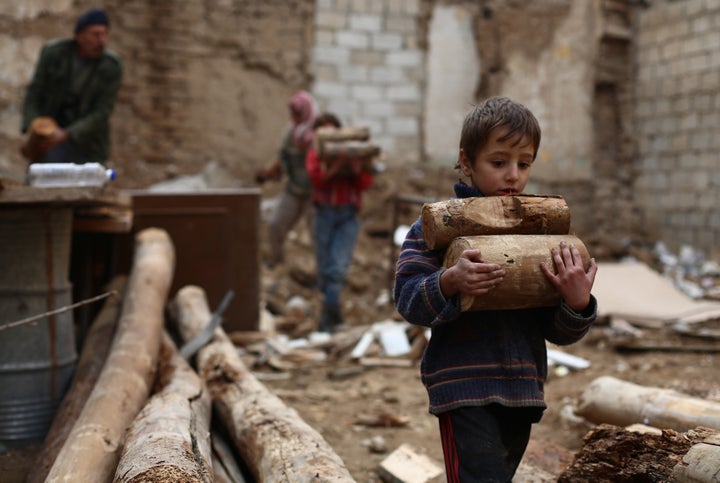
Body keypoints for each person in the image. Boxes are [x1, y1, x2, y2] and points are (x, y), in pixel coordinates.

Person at [393, 96, 598, 482]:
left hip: (523, 391)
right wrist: (449, 281)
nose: (513, 176)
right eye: (499, 162)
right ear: (467, 162)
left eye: (524, 164)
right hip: (462, 388)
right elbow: (407, 299)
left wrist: (577, 303)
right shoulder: (436, 228)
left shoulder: (540, 234)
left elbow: (557, 330)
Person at [21, 7, 123, 165]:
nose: (102, 40)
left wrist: (67, 134)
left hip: (87, 145)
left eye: (104, 34)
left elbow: (102, 111)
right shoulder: (54, 54)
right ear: (79, 35)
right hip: (50, 138)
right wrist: (31, 128)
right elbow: (35, 93)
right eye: (95, 34)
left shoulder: (111, 66)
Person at [306, 113, 374, 332]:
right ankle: (330, 316)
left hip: (348, 217)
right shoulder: (316, 152)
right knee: (325, 267)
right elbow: (316, 179)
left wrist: (354, 169)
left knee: (337, 267)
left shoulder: (355, 152)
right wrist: (335, 167)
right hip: (324, 214)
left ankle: (330, 315)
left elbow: (365, 182)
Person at [256, 90, 319, 267]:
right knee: (275, 225)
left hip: (314, 194)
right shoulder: (290, 134)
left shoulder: (318, 133)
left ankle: (320, 275)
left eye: (298, 114)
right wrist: (268, 173)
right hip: (294, 190)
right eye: (293, 114)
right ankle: (277, 261)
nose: (295, 118)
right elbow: (282, 158)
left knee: (317, 236)